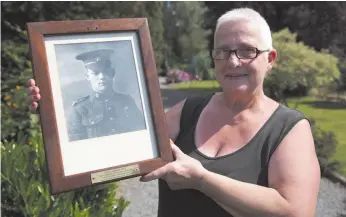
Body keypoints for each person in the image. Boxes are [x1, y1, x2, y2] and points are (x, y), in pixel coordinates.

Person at [27, 8, 320, 217]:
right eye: (222, 51)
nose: (232, 61)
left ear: (269, 59)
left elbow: (295, 210)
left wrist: (201, 179)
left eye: (246, 51)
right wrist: (55, 114)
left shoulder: (288, 129)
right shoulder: (188, 111)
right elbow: (123, 151)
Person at [30, 49, 145, 142]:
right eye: (95, 73)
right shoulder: (80, 109)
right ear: (87, 76)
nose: (102, 77)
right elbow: (75, 145)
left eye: (106, 72)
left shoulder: (127, 102)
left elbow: (142, 134)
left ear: (112, 73)